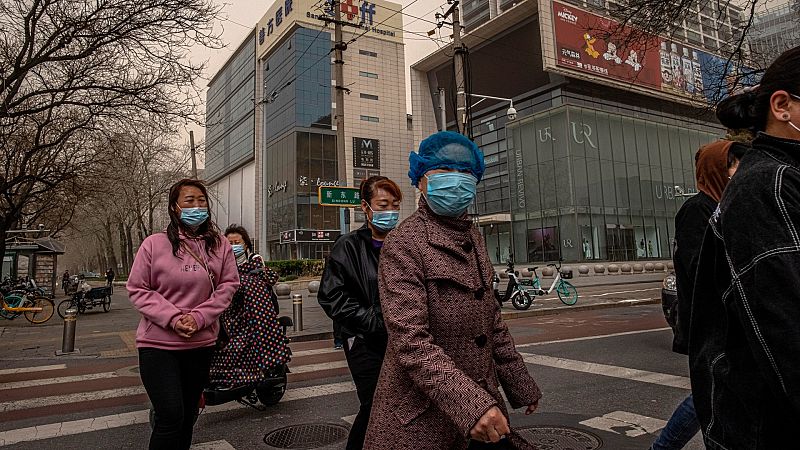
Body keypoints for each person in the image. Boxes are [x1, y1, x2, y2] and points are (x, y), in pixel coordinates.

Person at [364, 131, 542, 450]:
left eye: (465, 174)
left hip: (483, 405)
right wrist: (470, 405)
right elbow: (411, 340)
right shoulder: (403, 243)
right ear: (420, 180)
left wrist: (520, 384)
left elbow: (493, 323)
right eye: (444, 172)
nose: (456, 181)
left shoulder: (474, 237)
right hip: (423, 414)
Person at [689, 46, 800, 449]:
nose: (735, 167)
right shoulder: (765, 187)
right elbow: (786, 329)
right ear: (782, 105)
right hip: (765, 427)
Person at [127, 178, 240, 450]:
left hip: (200, 345)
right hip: (158, 345)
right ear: (175, 207)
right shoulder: (154, 244)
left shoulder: (220, 245)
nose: (197, 206)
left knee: (188, 416)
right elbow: (138, 288)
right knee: (170, 415)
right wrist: (174, 318)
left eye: (202, 200)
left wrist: (200, 317)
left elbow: (228, 285)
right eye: (189, 201)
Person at [649, 139, 747, 450]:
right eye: (732, 164)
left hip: (729, 321)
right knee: (709, 395)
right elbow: (700, 269)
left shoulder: (727, 207)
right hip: (711, 323)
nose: (738, 171)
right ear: (715, 169)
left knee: (715, 394)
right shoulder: (696, 211)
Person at [318, 175, 403, 450]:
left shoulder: (405, 244)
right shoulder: (349, 246)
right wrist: (373, 321)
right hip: (364, 341)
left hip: (403, 339)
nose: (389, 211)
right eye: (382, 204)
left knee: (401, 407)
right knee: (374, 404)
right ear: (366, 208)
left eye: (394, 204)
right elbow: (331, 296)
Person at [209, 224, 289, 388]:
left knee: (240, 345)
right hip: (228, 314)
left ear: (246, 244)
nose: (233, 246)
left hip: (252, 314)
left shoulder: (255, 262)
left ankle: (248, 376)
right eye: (229, 242)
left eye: (236, 242)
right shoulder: (221, 265)